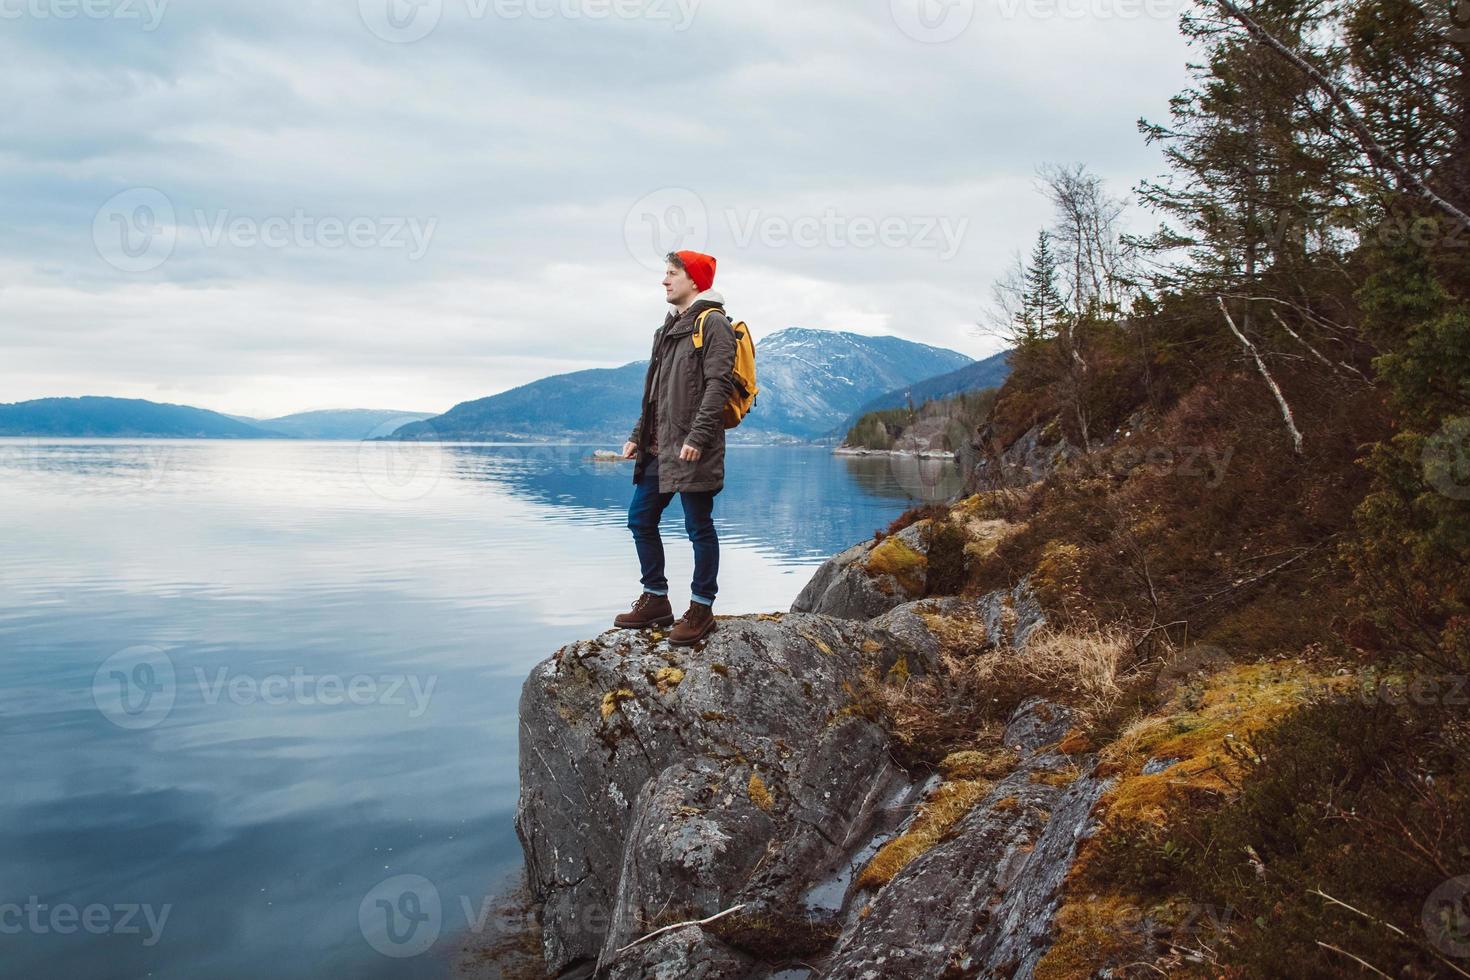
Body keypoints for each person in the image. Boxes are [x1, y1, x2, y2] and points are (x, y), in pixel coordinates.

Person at [615, 249, 737, 646]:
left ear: (694, 281)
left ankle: (701, 608)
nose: (665, 281)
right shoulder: (667, 329)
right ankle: (656, 599)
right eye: (665, 274)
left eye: (672, 274)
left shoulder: (713, 324)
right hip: (658, 447)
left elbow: (718, 385)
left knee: (698, 526)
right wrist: (638, 434)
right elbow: (654, 393)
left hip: (691, 447)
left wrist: (698, 438)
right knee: (640, 519)